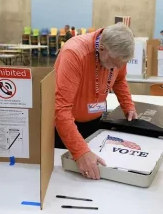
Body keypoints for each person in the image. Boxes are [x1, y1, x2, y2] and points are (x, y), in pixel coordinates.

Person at [55, 23, 138, 180]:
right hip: (65, 129)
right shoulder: (74, 53)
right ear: (102, 48)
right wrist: (80, 152)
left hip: (94, 123)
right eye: (115, 62)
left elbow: (119, 79)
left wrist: (128, 106)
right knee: (67, 180)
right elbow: (60, 109)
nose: (119, 66)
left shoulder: (118, 54)